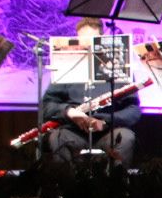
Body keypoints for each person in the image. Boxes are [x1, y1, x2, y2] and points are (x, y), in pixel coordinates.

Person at [40, 17, 140, 163]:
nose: (87, 48)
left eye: (92, 42)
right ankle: (64, 184)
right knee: (57, 138)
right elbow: (47, 106)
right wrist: (69, 112)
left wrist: (106, 121)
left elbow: (134, 111)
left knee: (126, 138)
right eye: (83, 42)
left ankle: (118, 183)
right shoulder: (66, 67)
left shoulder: (119, 67)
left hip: (108, 130)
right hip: (74, 131)